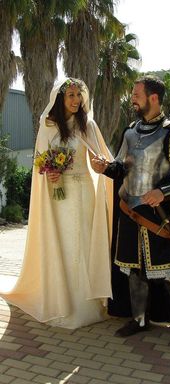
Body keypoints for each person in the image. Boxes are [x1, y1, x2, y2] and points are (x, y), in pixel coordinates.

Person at [92, 76, 170, 350]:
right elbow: (121, 168)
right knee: (134, 271)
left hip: (158, 216)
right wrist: (105, 168)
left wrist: (162, 191)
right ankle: (139, 320)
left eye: (137, 94)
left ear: (153, 98)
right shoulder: (130, 132)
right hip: (129, 212)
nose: (132, 98)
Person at [0, 78, 113, 329]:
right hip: (59, 198)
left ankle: (91, 304)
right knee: (64, 246)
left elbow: (101, 158)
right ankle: (63, 301)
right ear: (60, 98)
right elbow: (40, 161)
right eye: (70, 95)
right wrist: (49, 172)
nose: (75, 100)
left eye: (78, 95)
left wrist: (100, 164)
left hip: (85, 194)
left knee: (83, 245)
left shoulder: (89, 125)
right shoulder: (48, 125)